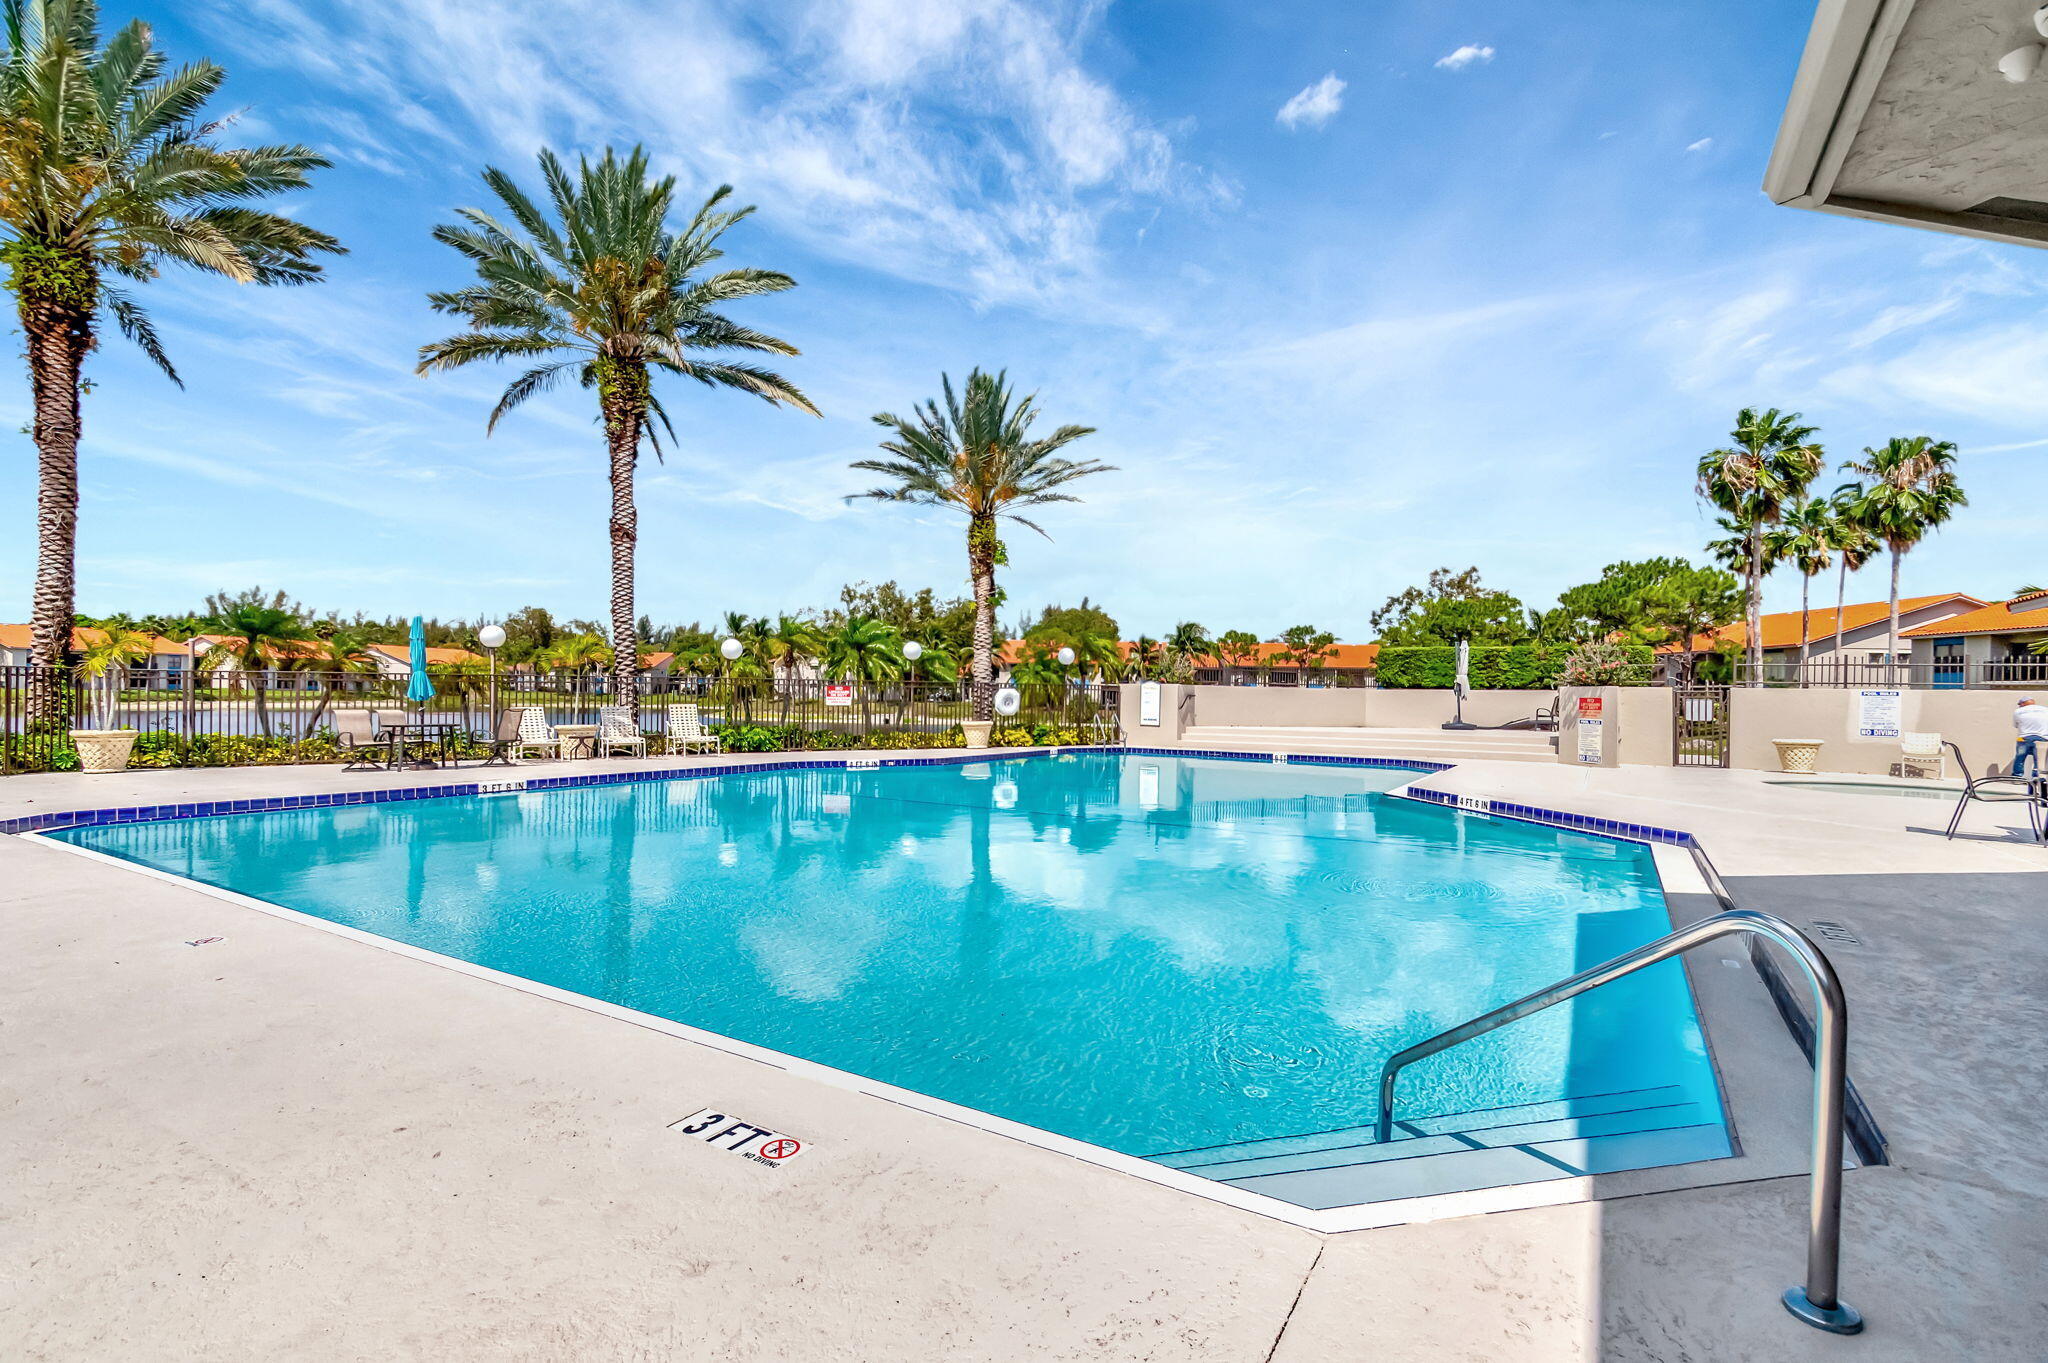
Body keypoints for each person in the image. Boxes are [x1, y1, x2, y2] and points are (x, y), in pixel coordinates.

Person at [2015, 698, 2048, 780]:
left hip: (2024, 738)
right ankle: (2037, 778)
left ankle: (2017, 777)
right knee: (2039, 759)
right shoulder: (2045, 709)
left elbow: (2016, 725)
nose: (2019, 706)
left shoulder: (2018, 711)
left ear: (2023, 703)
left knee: (2020, 758)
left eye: (2020, 704)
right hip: (2042, 738)